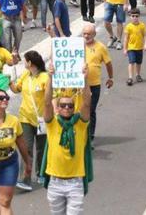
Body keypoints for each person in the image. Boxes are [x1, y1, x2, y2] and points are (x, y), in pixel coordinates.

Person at [43, 65, 92, 215]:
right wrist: (50, 78)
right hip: (55, 182)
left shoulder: (80, 123)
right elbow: (46, 103)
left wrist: (84, 79)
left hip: (75, 183)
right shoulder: (52, 123)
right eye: (62, 105)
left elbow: (86, 103)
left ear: (73, 107)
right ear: (57, 108)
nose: (66, 108)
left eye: (70, 106)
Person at [9, 50, 50, 192]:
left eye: (25, 60)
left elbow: (52, 98)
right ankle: (25, 179)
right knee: (26, 149)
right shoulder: (26, 75)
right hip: (25, 118)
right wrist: (9, 82)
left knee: (41, 148)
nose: (23, 62)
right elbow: (16, 89)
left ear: (30, 62)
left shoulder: (46, 78)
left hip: (42, 120)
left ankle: (42, 174)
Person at [82, 23, 113, 142]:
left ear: (94, 34)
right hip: (79, 85)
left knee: (90, 109)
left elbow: (108, 63)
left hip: (94, 85)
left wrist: (111, 78)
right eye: (84, 33)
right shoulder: (77, 46)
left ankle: (90, 136)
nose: (86, 36)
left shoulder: (101, 47)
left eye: (89, 34)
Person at [123, 8, 146, 86]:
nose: (134, 18)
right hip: (131, 48)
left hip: (139, 48)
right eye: (133, 16)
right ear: (130, 17)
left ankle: (138, 75)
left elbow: (145, 36)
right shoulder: (128, 27)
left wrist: (145, 44)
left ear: (139, 16)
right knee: (131, 62)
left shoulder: (142, 25)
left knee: (139, 62)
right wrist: (125, 49)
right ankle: (130, 77)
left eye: (136, 16)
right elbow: (126, 39)